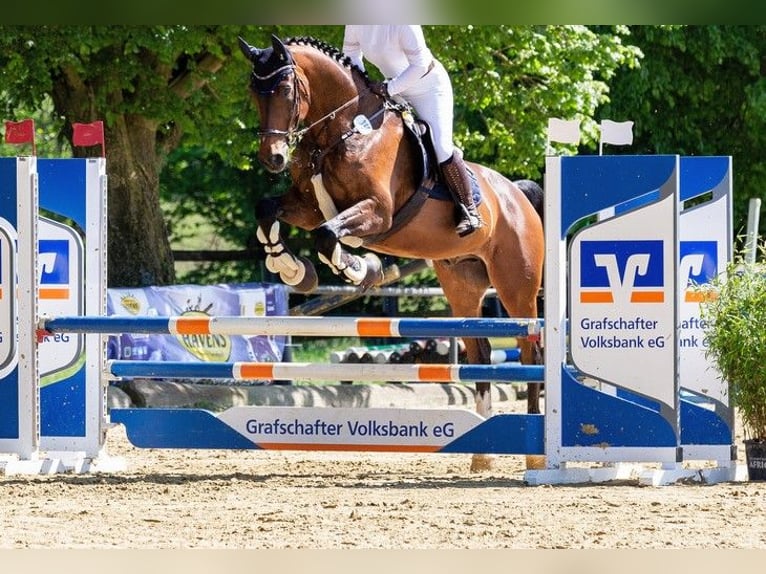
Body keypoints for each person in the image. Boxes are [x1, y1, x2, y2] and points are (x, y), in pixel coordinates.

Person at [342, 25, 482, 237]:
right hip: (393, 89)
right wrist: (365, 85)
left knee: (441, 147)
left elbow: (420, 65)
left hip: (428, 88)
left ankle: (469, 209)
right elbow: (351, 56)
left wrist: (388, 88)